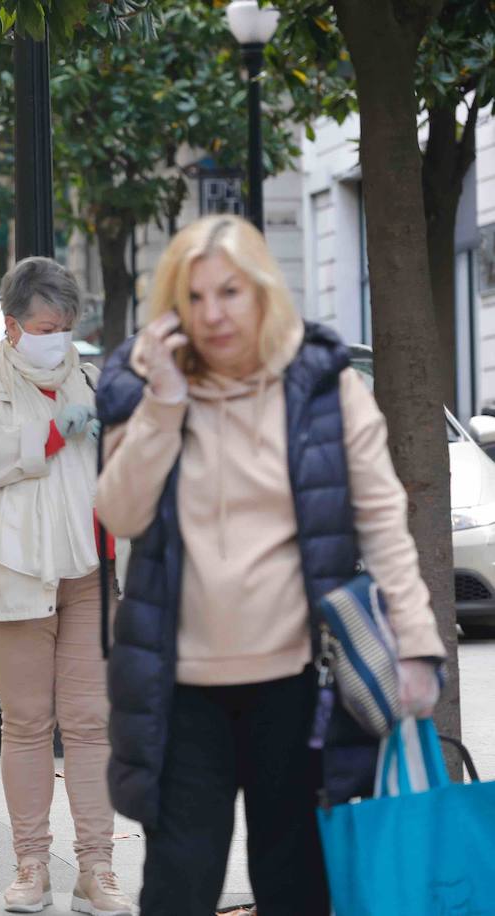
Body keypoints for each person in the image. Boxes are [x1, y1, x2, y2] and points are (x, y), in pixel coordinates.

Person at [95, 215, 445, 915]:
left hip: (299, 686)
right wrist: (163, 404)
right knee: (177, 887)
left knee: (297, 886)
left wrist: (417, 646)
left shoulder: (324, 385)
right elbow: (120, 513)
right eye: (194, 298)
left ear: (263, 292)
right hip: (182, 691)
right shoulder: (145, 386)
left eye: (230, 292)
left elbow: (382, 526)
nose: (214, 314)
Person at [0, 257, 132, 915]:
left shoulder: (98, 383)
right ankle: (30, 866)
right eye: (46, 325)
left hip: (91, 576)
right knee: (25, 723)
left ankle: (97, 869)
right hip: (13, 579)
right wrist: (49, 434)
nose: (58, 337)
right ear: (11, 322)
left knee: (91, 725)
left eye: (67, 326)